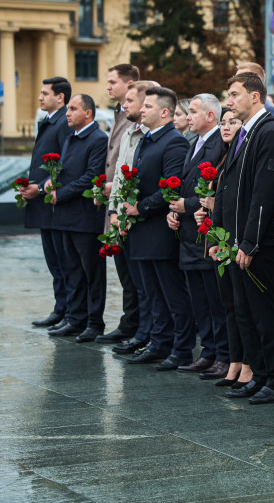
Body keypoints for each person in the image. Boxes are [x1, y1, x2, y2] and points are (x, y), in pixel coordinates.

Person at [210, 72, 274, 405]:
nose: (229, 102)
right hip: (237, 240)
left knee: (264, 311)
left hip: (257, 244)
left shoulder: (270, 131)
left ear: (255, 97)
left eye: (234, 95)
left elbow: (265, 193)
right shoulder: (246, 132)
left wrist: (249, 242)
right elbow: (226, 188)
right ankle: (258, 374)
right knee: (244, 311)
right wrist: (220, 235)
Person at [119, 87, 195, 371]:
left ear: (164, 112)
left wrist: (142, 207)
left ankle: (181, 348)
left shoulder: (173, 142)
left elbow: (172, 185)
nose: (142, 110)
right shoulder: (148, 140)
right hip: (142, 229)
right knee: (152, 293)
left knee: (172, 293)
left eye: (148, 106)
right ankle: (158, 343)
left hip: (160, 230)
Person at [166, 93, 230, 380]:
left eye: (192, 112)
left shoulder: (220, 143)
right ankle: (208, 351)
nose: (187, 116)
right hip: (190, 232)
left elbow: (215, 190)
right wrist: (176, 212)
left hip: (207, 233)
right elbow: (188, 184)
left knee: (214, 299)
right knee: (199, 300)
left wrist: (188, 206)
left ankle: (223, 354)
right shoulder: (195, 142)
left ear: (210, 116)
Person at [194, 110, 252, 388]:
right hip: (221, 238)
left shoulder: (244, 155)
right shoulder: (221, 155)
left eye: (234, 122)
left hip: (238, 237)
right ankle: (233, 361)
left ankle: (245, 363)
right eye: (223, 122)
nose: (226, 126)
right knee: (228, 304)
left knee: (241, 306)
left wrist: (215, 207)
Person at [47, 94, 108, 342]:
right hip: (66, 217)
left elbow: (91, 176)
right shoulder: (71, 138)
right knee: (72, 270)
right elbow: (65, 170)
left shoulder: (98, 139)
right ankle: (76, 319)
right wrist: (50, 183)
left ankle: (94, 323)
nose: (68, 113)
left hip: (86, 218)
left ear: (88, 113)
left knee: (91, 272)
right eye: (68, 108)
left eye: (73, 108)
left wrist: (60, 194)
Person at [108, 81, 158, 357]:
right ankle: (139, 330)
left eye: (130, 100)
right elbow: (118, 176)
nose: (124, 105)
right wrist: (114, 212)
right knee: (130, 280)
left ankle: (148, 334)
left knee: (147, 285)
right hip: (122, 218)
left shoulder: (153, 136)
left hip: (143, 218)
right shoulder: (130, 132)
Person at [98, 63, 142, 344]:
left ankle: (135, 325)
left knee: (136, 276)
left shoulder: (137, 118)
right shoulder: (119, 115)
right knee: (125, 272)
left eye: (114, 82)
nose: (108, 87)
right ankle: (131, 322)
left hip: (129, 207)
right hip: (115, 204)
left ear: (130, 84)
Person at [25, 77, 73, 329]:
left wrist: (41, 185)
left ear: (60, 97)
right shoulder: (49, 120)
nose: (40, 97)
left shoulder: (64, 121)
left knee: (63, 262)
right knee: (54, 261)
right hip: (45, 202)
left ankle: (68, 313)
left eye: (45, 93)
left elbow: (66, 163)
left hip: (55, 202)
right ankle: (61, 308)